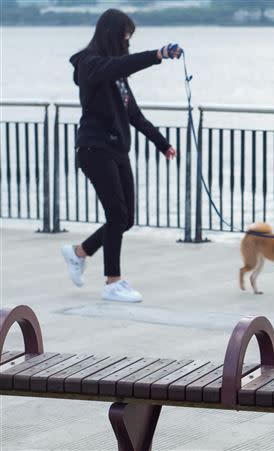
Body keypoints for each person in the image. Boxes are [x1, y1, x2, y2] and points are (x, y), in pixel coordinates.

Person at [61, 9, 183, 303]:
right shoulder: (89, 65)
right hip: (94, 149)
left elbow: (134, 115)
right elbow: (118, 65)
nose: (127, 43)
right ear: (112, 34)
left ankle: (79, 252)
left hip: (117, 151)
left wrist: (162, 143)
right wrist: (158, 54)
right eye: (125, 36)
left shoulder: (119, 79)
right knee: (116, 215)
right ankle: (112, 282)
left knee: (126, 218)